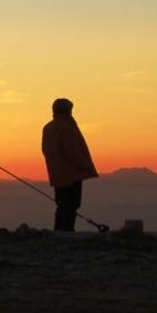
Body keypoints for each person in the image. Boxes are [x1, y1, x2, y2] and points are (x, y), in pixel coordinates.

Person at [41, 98, 98, 232]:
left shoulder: (48, 127)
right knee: (71, 203)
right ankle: (66, 231)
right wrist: (84, 166)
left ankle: (60, 230)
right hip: (72, 173)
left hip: (57, 173)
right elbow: (72, 152)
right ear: (67, 110)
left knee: (61, 204)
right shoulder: (67, 127)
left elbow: (45, 149)